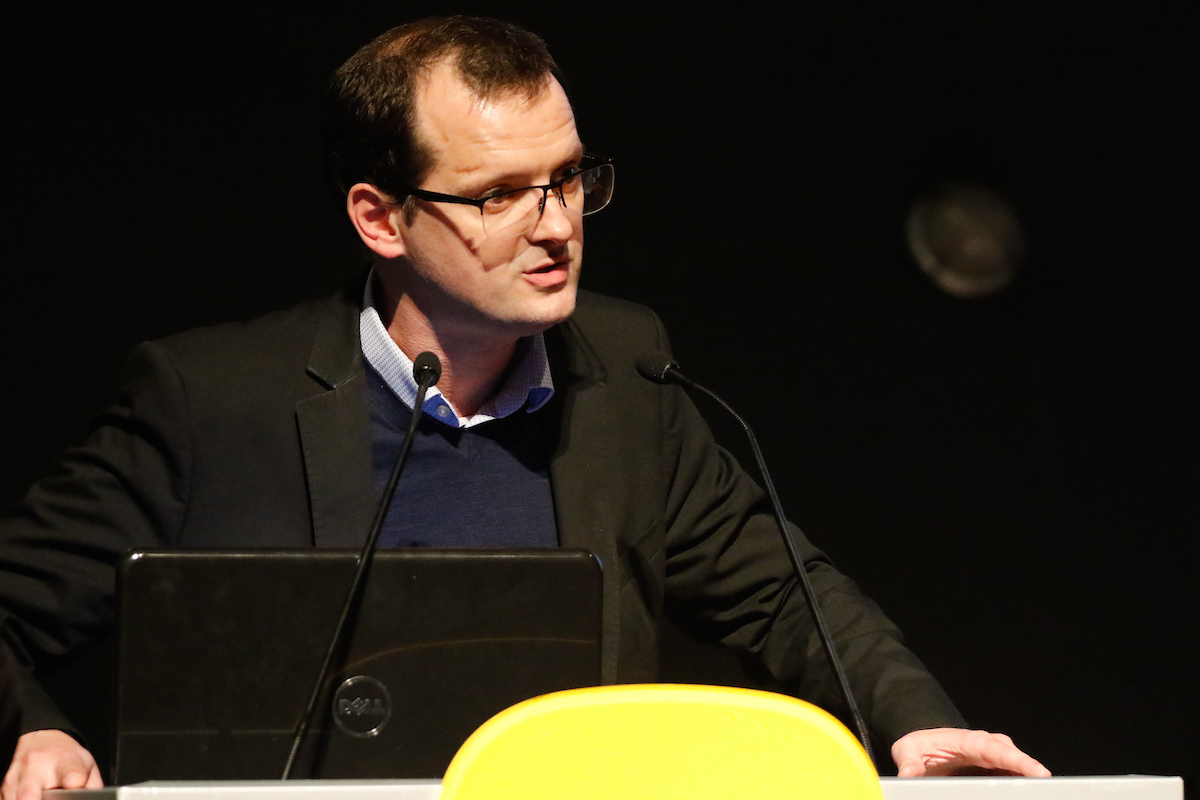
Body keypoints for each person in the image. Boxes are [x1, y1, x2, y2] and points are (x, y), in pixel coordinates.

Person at [0, 16, 1050, 799]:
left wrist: (916, 726)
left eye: (569, 178)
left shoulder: (626, 375)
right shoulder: (213, 403)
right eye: (500, 194)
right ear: (380, 218)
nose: (556, 227)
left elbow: (786, 595)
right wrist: (32, 733)